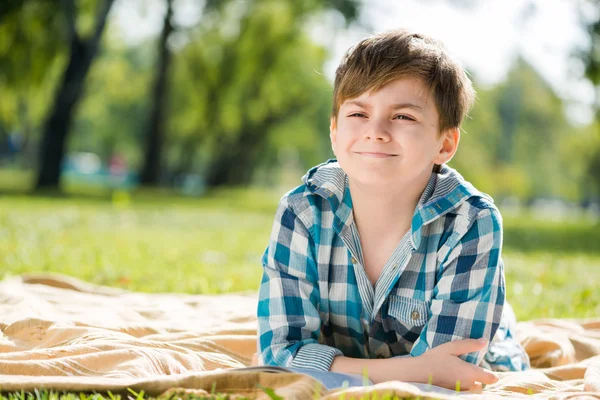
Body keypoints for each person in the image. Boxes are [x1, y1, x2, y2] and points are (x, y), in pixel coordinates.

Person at [256, 29, 529, 391]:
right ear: (335, 131)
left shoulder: (471, 222)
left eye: (403, 117)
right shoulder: (302, 211)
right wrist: (413, 369)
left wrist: (334, 365)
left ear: (445, 143)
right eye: (358, 112)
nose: (376, 131)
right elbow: (279, 354)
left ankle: (502, 315)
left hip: (481, 337)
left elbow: (451, 371)